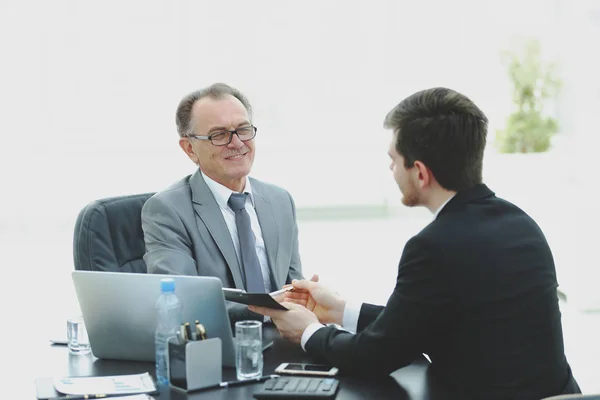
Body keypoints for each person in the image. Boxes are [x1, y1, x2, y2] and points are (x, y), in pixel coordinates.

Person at [250, 87, 581, 399]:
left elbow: (377, 357)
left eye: (394, 159)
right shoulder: (522, 225)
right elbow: (426, 321)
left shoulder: (434, 246)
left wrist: (307, 331)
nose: (391, 168)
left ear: (420, 173)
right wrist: (339, 310)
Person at [142, 83, 307, 322]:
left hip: (285, 338)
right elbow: (181, 300)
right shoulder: (167, 210)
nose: (237, 142)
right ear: (189, 148)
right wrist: (267, 309)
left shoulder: (280, 201)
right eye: (218, 135)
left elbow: (292, 286)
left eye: (243, 129)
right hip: (217, 346)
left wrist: (306, 297)